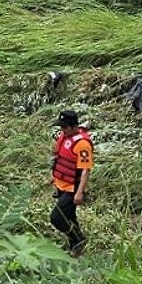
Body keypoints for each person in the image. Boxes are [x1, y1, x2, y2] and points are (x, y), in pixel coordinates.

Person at [50, 109, 94, 256]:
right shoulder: (65, 136)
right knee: (69, 216)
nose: (62, 130)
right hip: (62, 184)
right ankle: (75, 244)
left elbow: (85, 170)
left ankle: (77, 238)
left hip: (72, 187)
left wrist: (80, 192)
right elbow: (60, 159)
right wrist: (54, 178)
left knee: (57, 218)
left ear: (73, 126)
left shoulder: (82, 145)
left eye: (64, 127)